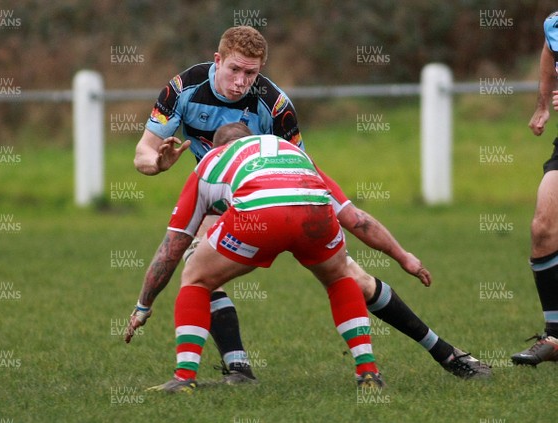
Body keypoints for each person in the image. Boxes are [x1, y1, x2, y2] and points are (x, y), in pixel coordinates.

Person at [132, 25, 490, 381]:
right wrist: (157, 164)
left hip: (264, 189)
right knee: (201, 267)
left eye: (251, 73)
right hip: (220, 189)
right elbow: (144, 153)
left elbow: (301, 171)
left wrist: (143, 305)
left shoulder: (275, 105)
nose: (241, 81)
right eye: (234, 70)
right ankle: (240, 368)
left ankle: (445, 352)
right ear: (217, 60)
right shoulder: (182, 89)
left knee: (357, 280)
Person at [128, 127, 384, 392]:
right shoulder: (291, 149)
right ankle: (368, 372)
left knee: (196, 277)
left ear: (217, 147)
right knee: (340, 277)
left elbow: (172, 247)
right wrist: (404, 257)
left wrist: (143, 305)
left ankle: (184, 378)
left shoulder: (211, 161)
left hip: (258, 220)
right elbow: (356, 219)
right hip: (314, 213)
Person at [511, 11, 558, 365]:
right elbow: (549, 48)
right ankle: (556, 337)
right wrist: (543, 105)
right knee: (542, 228)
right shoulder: (554, 23)